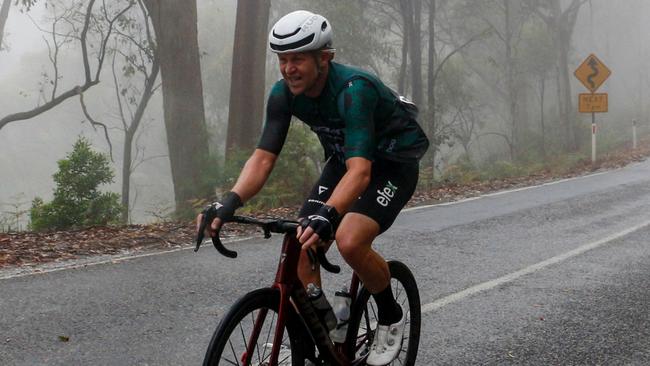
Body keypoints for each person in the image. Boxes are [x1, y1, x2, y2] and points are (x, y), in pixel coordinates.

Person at [197, 10, 429, 366]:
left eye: (298, 59)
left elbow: (361, 172)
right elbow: (262, 158)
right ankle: (324, 327)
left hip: (390, 165)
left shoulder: (355, 91)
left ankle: (390, 314)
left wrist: (330, 215)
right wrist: (229, 201)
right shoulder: (285, 94)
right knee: (303, 242)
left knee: (349, 239)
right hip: (345, 159)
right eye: (283, 59)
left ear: (325, 58)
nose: (289, 68)